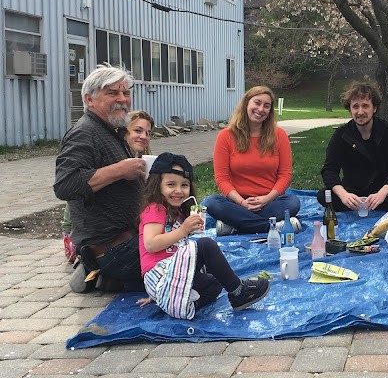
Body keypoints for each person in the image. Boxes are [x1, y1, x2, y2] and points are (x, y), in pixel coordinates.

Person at [137, 153, 270, 318]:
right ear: (157, 186)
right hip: (161, 274)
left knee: (214, 283)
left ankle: (181, 300)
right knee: (206, 245)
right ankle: (238, 292)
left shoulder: (177, 212)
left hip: (172, 278)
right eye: (171, 184)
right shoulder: (155, 209)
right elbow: (151, 244)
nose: (178, 191)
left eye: (184, 185)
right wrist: (183, 230)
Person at [54, 64, 147, 293]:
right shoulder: (85, 132)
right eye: (112, 93)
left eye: (126, 93)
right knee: (192, 256)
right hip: (114, 250)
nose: (122, 99)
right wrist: (121, 169)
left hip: (123, 242)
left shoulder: (110, 131)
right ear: (89, 99)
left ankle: (108, 276)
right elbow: (65, 185)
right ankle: (104, 270)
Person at [202, 86, 301, 235]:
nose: (261, 109)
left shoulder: (279, 135)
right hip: (237, 202)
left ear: (270, 111)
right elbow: (221, 179)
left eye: (266, 106)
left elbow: (285, 175)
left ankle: (235, 226)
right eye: (257, 103)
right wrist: (242, 203)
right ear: (246, 104)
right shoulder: (226, 136)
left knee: (293, 202)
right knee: (212, 203)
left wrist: (266, 199)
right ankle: (272, 227)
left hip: (270, 202)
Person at [62, 110, 155, 264]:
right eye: (137, 130)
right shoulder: (116, 163)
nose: (144, 136)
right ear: (124, 132)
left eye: (148, 132)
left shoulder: (137, 162)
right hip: (91, 241)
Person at [317, 82, 388, 212]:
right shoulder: (342, 134)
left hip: (381, 192)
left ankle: (377, 205)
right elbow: (329, 169)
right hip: (352, 193)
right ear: (350, 110)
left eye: (365, 106)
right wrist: (344, 195)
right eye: (355, 107)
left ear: (374, 108)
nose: (360, 112)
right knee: (322, 195)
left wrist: (382, 193)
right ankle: (384, 208)